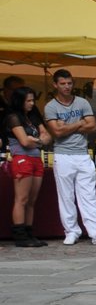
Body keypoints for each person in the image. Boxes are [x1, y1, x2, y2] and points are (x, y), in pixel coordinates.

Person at [43, 69, 96, 247]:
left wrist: (67, 125)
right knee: (66, 196)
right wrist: (79, 123)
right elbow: (57, 132)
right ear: (55, 85)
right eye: (62, 83)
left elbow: (92, 126)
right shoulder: (51, 106)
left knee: (89, 196)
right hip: (62, 155)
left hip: (83, 155)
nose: (67, 87)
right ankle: (72, 231)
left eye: (69, 83)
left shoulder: (82, 102)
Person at [5, 87, 52, 247]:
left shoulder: (32, 116)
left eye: (33, 100)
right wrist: (39, 139)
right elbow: (24, 141)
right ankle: (20, 234)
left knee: (32, 199)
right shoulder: (13, 117)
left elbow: (47, 137)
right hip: (22, 158)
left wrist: (36, 139)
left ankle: (29, 232)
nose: (32, 103)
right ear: (20, 101)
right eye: (28, 101)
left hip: (35, 158)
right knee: (22, 199)